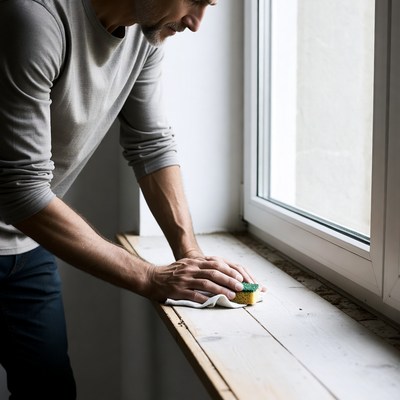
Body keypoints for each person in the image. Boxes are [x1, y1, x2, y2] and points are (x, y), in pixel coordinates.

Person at [0, 0, 259, 398]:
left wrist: (188, 253)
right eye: (193, 1)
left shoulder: (147, 33)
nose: (195, 23)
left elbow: (150, 144)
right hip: (26, 217)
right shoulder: (33, 18)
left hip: (29, 247)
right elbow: (21, 188)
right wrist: (151, 277)